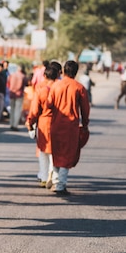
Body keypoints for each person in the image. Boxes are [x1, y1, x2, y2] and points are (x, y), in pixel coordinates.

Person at [47, 60, 91, 195]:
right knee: (67, 154)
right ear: (76, 72)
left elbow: (49, 105)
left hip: (55, 124)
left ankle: (55, 180)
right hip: (71, 127)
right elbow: (85, 109)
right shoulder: (79, 87)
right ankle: (60, 184)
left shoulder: (55, 86)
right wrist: (85, 124)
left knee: (56, 152)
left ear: (64, 71)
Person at [25, 62, 61, 187]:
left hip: (44, 122)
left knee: (43, 151)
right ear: (57, 75)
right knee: (54, 151)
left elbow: (35, 109)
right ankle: (53, 174)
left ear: (45, 75)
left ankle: (44, 176)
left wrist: (30, 122)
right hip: (57, 122)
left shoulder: (41, 88)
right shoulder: (60, 87)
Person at [7, 64, 27, 131]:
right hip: (19, 94)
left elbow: (8, 83)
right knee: (17, 110)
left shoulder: (12, 75)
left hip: (12, 93)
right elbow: (25, 84)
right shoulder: (23, 76)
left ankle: (11, 123)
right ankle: (15, 124)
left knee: (12, 109)